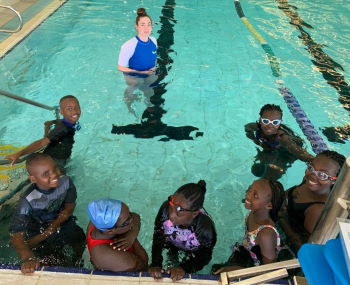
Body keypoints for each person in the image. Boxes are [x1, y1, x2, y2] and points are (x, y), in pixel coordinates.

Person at [9, 153, 85, 274]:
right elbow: (16, 237)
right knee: (56, 261)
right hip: (38, 231)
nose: (55, 174)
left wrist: (56, 223)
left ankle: (78, 263)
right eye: (46, 174)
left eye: (55, 168)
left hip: (60, 221)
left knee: (80, 239)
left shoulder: (66, 182)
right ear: (33, 179)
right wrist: (29, 258)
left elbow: (70, 206)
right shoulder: (27, 201)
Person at [212, 179, 285, 274]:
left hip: (255, 266)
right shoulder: (253, 213)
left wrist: (238, 271)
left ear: (269, 205)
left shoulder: (266, 234)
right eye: (250, 190)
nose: (248, 195)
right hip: (248, 253)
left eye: (255, 196)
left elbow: (269, 271)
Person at [149, 180, 217, 281]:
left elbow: (205, 256)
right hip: (172, 243)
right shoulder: (165, 209)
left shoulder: (205, 228)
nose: (171, 215)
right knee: (170, 260)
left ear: (194, 214)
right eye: (171, 207)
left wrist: (185, 268)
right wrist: (155, 263)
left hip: (193, 252)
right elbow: (158, 237)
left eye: (179, 212)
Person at [279, 150, 345, 253]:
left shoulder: (316, 210)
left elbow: (301, 244)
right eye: (311, 168)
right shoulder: (309, 180)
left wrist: (281, 218)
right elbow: (290, 193)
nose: (313, 175)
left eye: (322, 175)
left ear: (334, 180)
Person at [6, 95, 81, 170]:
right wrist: (19, 153)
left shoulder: (64, 121)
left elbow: (56, 122)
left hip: (53, 152)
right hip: (56, 160)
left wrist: (49, 123)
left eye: (77, 107)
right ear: (61, 111)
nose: (75, 111)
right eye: (69, 109)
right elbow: (41, 143)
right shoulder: (63, 129)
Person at [245, 104, 314, 180]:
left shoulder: (282, 138)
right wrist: (255, 140)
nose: (269, 125)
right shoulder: (255, 127)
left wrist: (316, 161)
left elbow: (300, 154)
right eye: (265, 121)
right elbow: (247, 129)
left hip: (287, 152)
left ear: (280, 122)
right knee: (262, 160)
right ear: (260, 120)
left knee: (272, 175)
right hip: (272, 147)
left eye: (275, 122)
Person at [86, 198, 148, 272]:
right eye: (126, 222)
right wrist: (134, 241)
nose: (132, 220)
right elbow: (143, 264)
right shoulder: (107, 256)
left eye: (129, 214)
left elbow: (135, 216)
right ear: (110, 231)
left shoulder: (98, 220)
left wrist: (131, 236)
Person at [117, 8, 158, 116]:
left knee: (151, 87)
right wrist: (140, 73)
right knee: (134, 85)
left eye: (149, 24)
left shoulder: (153, 40)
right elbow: (120, 67)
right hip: (133, 74)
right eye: (143, 24)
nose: (147, 27)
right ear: (136, 26)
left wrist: (153, 68)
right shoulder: (129, 45)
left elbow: (152, 56)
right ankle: (129, 107)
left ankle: (148, 103)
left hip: (148, 72)